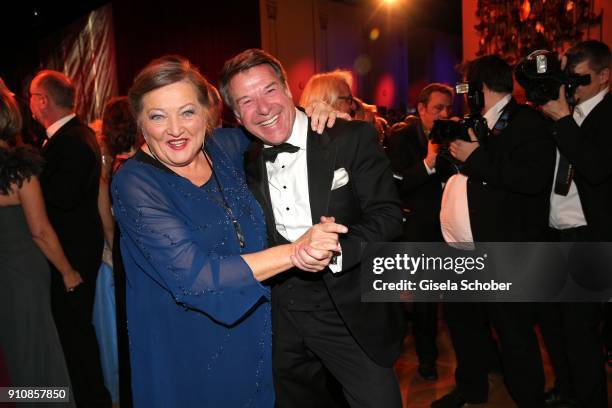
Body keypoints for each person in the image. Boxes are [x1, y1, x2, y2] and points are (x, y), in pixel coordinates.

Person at [111, 55, 346, 407]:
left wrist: (310, 115)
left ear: (209, 113)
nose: (175, 129)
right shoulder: (135, 183)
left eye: (187, 112)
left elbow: (270, 121)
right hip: (186, 349)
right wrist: (296, 251)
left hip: (256, 333)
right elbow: (195, 276)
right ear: (140, 123)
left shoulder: (225, 146)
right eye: (158, 116)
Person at [219, 48, 406, 408]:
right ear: (236, 114)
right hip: (279, 314)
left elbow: (387, 215)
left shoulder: (348, 137)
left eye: (269, 90)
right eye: (246, 100)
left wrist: (336, 250)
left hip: (346, 306)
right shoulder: (243, 160)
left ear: (288, 89)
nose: (263, 107)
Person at [433, 55, 555, 408]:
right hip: (465, 248)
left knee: (513, 331)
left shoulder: (526, 120)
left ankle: (528, 398)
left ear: (480, 88)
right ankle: (471, 388)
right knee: (465, 325)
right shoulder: (476, 123)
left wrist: (476, 156)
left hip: (506, 250)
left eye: (467, 87)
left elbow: (532, 180)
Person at [29, 69, 111, 406]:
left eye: (32, 97)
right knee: (72, 336)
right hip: (73, 253)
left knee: (75, 337)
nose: (28, 104)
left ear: (43, 101)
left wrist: (27, 190)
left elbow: (60, 201)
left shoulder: (74, 141)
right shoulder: (72, 137)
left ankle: (91, 400)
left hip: (71, 258)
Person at [539, 39, 610, 408]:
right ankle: (570, 390)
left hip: (590, 238)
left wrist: (564, 120)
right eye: (568, 79)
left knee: (581, 333)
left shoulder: (605, 115)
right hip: (556, 234)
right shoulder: (566, 116)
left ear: (603, 77)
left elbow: (596, 170)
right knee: (556, 326)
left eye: (580, 80)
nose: (572, 88)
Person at [0, 87, 78, 405]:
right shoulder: (19, 170)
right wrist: (68, 271)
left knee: (11, 356)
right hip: (23, 276)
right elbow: (41, 231)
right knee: (35, 352)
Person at [385, 83, 454, 381]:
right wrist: (428, 163)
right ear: (422, 108)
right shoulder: (400, 139)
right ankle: (425, 359)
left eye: (448, 108)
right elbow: (396, 186)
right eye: (438, 108)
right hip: (417, 228)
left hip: (451, 227)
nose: (444, 114)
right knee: (420, 300)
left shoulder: (452, 134)